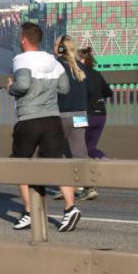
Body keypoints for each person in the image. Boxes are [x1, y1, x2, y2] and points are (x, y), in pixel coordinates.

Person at [8, 23, 81, 233]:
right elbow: (64, 88)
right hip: (52, 119)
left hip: (29, 119)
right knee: (56, 164)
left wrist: (10, 87)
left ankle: (30, 213)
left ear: (23, 39)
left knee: (20, 166)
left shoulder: (21, 59)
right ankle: (70, 208)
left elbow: (21, 85)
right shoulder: (52, 60)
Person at [53, 34, 89, 200]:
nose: (53, 47)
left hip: (63, 115)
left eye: (55, 44)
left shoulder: (56, 65)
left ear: (60, 48)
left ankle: (66, 186)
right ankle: (81, 184)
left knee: (59, 152)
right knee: (79, 151)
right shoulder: (81, 66)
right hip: (81, 114)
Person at [78, 46, 113, 201]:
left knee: (77, 148)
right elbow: (108, 93)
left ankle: (84, 185)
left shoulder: (78, 75)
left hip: (83, 116)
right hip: (101, 116)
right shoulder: (97, 74)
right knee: (89, 147)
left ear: (82, 60)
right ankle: (87, 183)